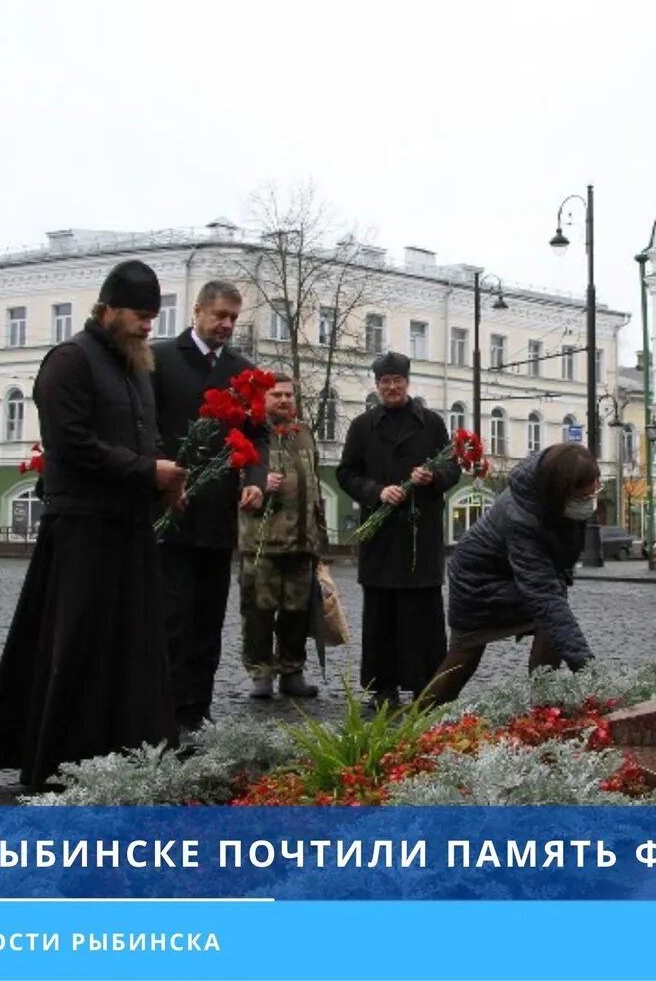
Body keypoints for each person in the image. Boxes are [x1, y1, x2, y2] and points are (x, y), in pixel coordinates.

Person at [0, 260, 187, 789]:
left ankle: (132, 750)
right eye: (139, 315)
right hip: (82, 528)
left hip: (130, 524)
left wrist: (163, 477)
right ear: (108, 308)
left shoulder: (137, 367)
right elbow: (71, 444)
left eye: (153, 318)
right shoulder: (69, 361)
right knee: (79, 644)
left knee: (132, 646)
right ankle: (60, 758)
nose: (146, 327)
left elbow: (142, 436)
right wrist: (145, 470)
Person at [152, 280, 268, 732]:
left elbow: (259, 434)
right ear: (197, 311)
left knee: (208, 621)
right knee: (171, 619)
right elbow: (148, 423)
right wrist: (161, 473)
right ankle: (163, 710)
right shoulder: (161, 359)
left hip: (219, 515)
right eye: (219, 315)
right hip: (170, 512)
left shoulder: (243, 370)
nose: (226, 325)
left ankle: (196, 711)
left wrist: (255, 480)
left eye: (234, 318)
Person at [424, 443, 597, 705]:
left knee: (549, 623)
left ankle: (544, 706)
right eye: (584, 497)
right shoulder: (522, 517)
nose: (590, 501)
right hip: (477, 580)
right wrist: (588, 670)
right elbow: (543, 596)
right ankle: (419, 722)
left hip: (505, 572)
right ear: (561, 490)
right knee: (466, 651)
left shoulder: (551, 495)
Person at [337, 352, 458, 709]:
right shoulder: (362, 426)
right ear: (377, 386)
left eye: (397, 381)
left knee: (423, 614)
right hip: (381, 539)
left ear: (407, 382)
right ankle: (381, 688)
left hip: (421, 538)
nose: (391, 387)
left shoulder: (432, 424)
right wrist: (376, 492)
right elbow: (346, 473)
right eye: (385, 381)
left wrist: (433, 476)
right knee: (381, 616)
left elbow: (453, 469)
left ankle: (427, 686)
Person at [237, 374, 328, 699]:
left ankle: (292, 671)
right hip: (261, 543)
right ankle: (261, 673)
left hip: (302, 543)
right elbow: (231, 476)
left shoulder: (304, 434)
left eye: (289, 395)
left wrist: (319, 538)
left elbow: (315, 483)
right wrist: (258, 483)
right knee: (258, 612)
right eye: (276, 395)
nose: (285, 401)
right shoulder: (250, 434)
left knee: (297, 613)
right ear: (263, 398)